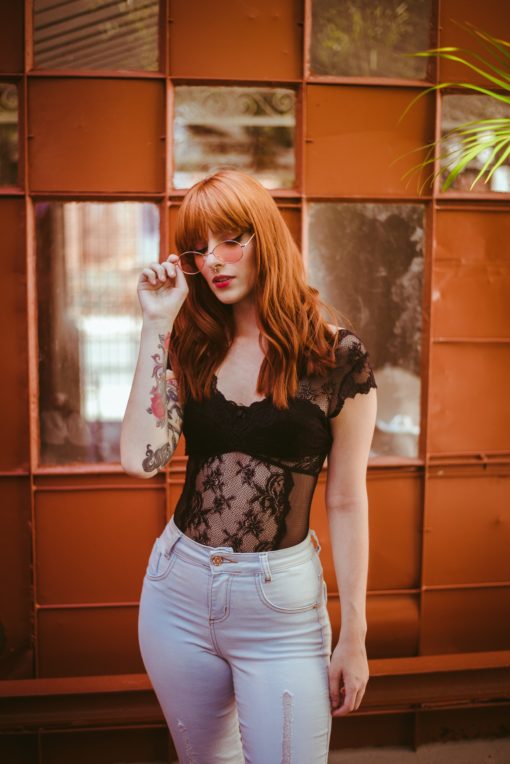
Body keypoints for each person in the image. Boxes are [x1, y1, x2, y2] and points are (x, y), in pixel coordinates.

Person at [120, 169, 378, 763]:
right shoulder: (192, 342)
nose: (214, 261)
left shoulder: (337, 357)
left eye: (230, 239)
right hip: (177, 594)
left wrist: (355, 633)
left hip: (280, 609)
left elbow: (345, 499)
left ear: (265, 236)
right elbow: (140, 459)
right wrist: (155, 324)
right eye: (198, 249)